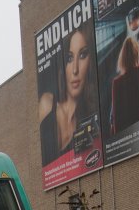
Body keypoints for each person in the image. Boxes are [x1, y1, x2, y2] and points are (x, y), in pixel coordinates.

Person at [39, 20, 98, 166]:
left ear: (91, 62)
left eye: (83, 55)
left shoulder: (87, 122)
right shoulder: (47, 103)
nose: (75, 69)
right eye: (70, 58)